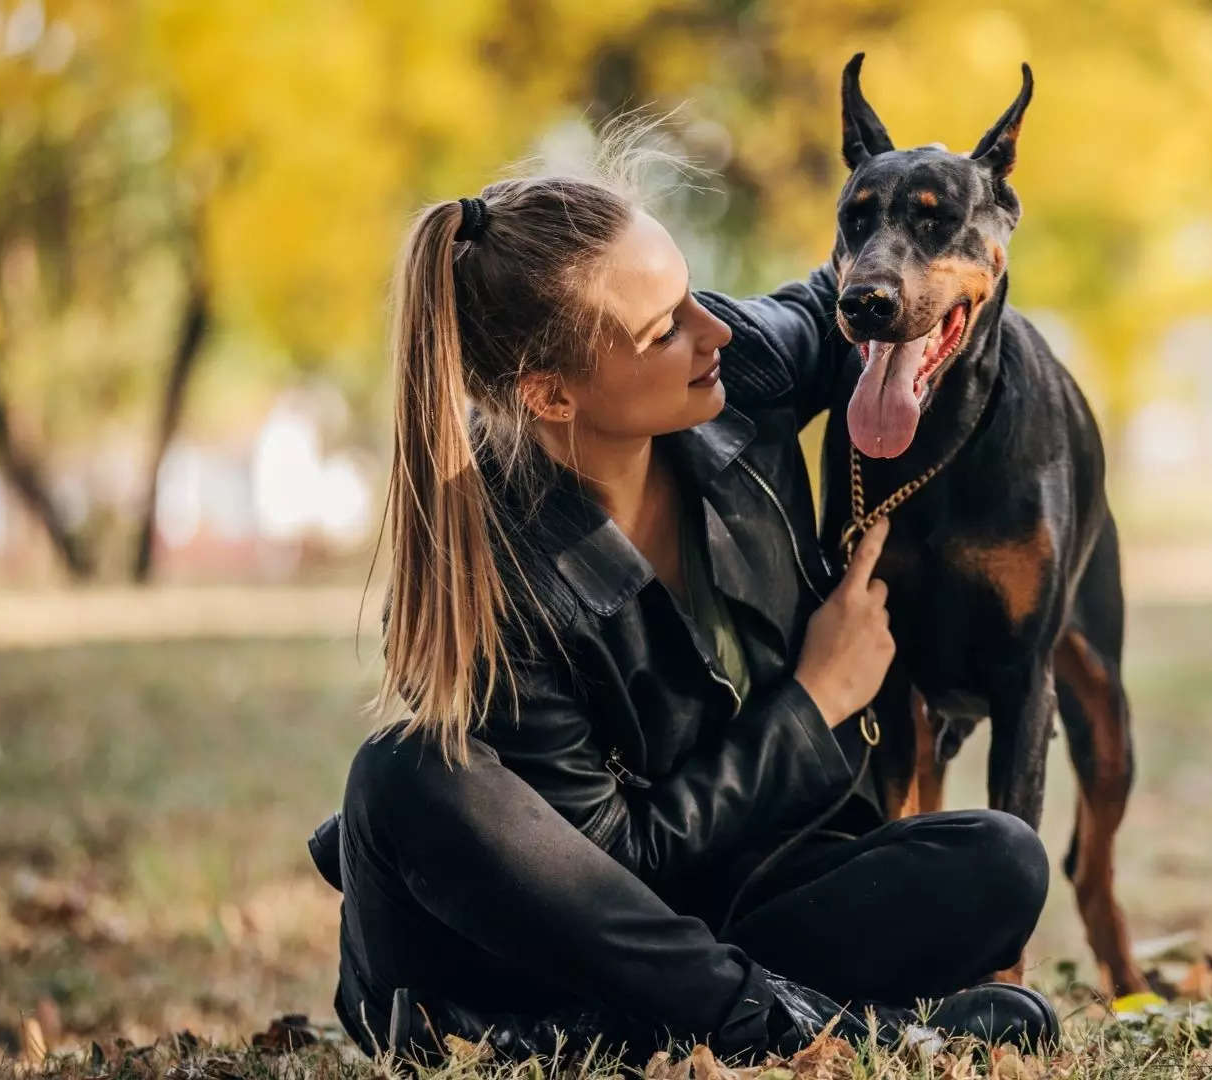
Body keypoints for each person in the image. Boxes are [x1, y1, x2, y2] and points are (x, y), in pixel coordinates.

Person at [303, 143, 1057, 1065]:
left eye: (695, 292)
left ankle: (619, 1038)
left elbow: (868, 295)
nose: (717, 332)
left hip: (722, 909)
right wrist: (814, 701)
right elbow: (615, 866)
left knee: (999, 861)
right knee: (407, 772)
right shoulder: (497, 577)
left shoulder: (740, 371)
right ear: (550, 392)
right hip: (523, 959)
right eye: (665, 328)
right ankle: (795, 1028)